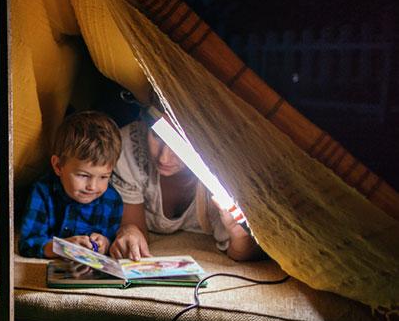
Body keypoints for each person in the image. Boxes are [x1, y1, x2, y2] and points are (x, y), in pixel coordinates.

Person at [109, 115, 263, 262]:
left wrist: (239, 235)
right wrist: (130, 230)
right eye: (157, 136)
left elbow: (240, 252)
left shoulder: (218, 178)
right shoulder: (130, 147)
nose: (164, 158)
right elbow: (137, 233)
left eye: (179, 144)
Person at [18, 111, 123, 258]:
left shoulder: (112, 200)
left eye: (104, 177)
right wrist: (62, 248)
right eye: (83, 175)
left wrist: (105, 244)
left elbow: (113, 239)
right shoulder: (42, 192)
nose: (92, 186)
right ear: (58, 166)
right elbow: (27, 244)